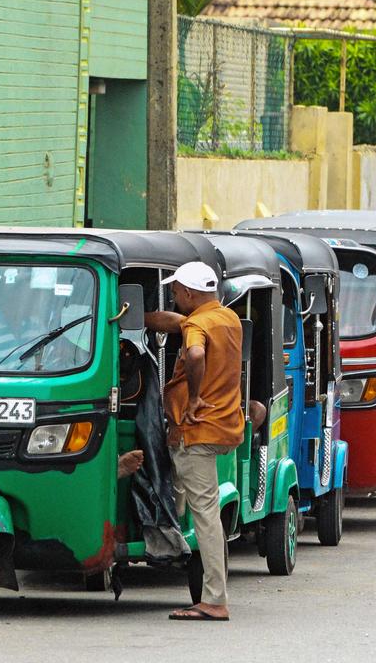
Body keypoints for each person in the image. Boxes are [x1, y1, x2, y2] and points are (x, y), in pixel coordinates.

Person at [145, 262, 244, 622]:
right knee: (197, 506)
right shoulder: (226, 318)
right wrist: (138, 316)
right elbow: (180, 322)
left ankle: (214, 599)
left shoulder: (198, 328)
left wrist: (196, 394)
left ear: (188, 293)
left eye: (176, 291)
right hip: (223, 427)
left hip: (197, 430)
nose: (174, 295)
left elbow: (196, 352)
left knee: (205, 515)